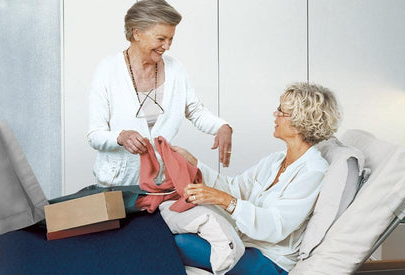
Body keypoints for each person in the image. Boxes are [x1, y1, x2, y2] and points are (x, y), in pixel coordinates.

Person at [171, 82, 341, 274]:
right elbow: (235, 187)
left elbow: (276, 226)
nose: (274, 115)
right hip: (244, 244)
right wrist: (194, 162)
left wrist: (223, 199)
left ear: (300, 122)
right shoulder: (275, 160)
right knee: (171, 234)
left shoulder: (313, 172)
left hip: (271, 260)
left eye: (281, 111)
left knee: (179, 244)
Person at [87, 0, 232, 187]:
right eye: (161, 39)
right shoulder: (107, 71)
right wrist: (121, 137)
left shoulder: (175, 69)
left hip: (160, 184)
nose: (167, 46)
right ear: (137, 33)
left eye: (171, 39)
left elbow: (194, 110)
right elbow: (95, 135)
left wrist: (221, 126)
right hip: (116, 187)